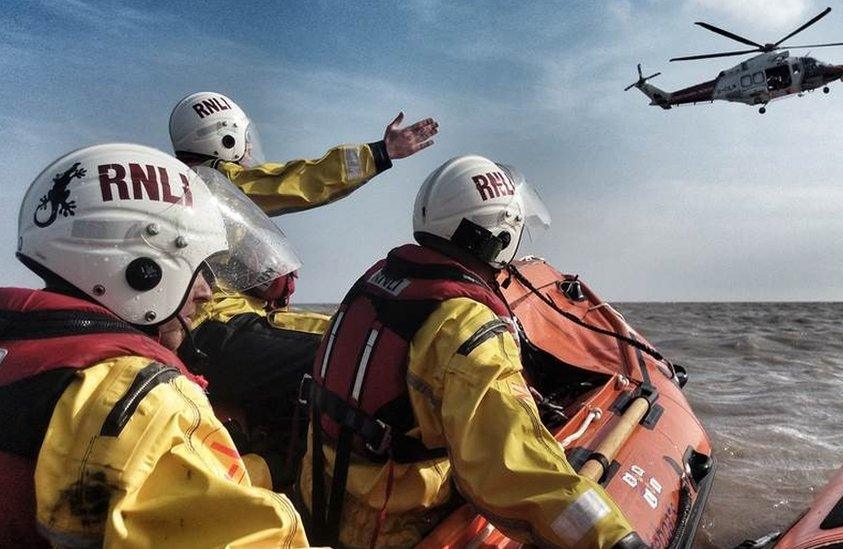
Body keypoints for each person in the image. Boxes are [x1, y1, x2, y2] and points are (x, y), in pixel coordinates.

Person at [300, 155, 645, 548]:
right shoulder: (465, 326)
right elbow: (515, 471)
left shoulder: (378, 281)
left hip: (322, 496)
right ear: (497, 237)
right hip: (393, 525)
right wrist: (616, 540)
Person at [0, 143, 308, 546]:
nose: (204, 293)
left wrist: (256, 467)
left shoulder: (26, 352)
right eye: (197, 271)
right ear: (142, 272)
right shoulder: (140, 397)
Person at [167, 92, 439, 490]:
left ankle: (286, 453)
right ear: (226, 141)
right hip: (218, 330)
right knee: (351, 357)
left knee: (338, 330)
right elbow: (301, 180)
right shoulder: (215, 184)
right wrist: (381, 152)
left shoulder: (177, 192)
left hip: (226, 325)